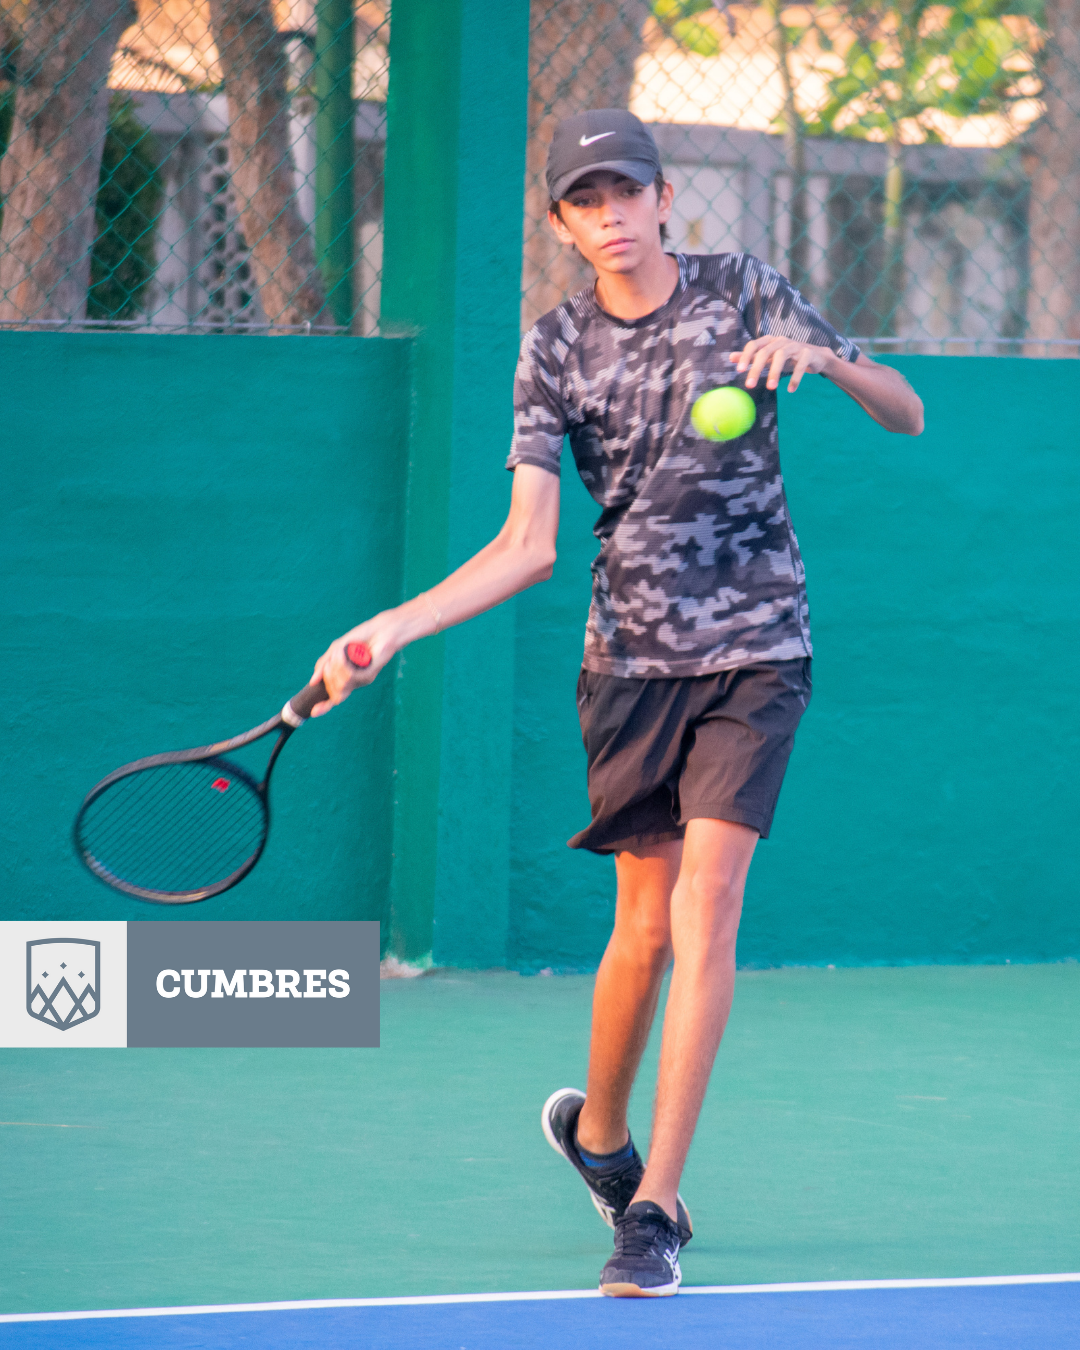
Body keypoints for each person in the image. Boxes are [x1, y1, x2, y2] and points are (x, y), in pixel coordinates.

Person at [310, 108, 924, 1298]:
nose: (611, 215)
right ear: (562, 224)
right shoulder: (551, 349)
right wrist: (395, 624)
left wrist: (833, 363)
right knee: (640, 929)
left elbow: (904, 410)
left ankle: (655, 1207)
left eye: (627, 191)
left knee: (710, 901)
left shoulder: (746, 289)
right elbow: (527, 544)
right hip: (627, 666)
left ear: (662, 198)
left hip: (759, 650)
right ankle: (599, 1138)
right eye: (585, 200)